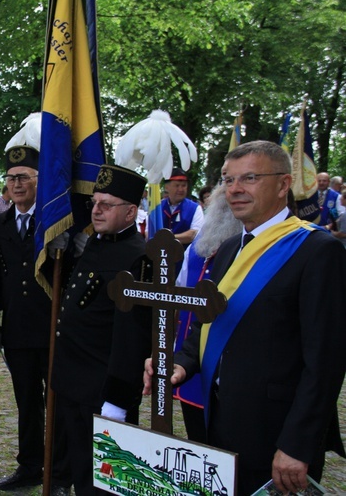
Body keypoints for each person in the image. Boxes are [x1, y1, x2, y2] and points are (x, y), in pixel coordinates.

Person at [145, 141, 346, 494]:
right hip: (219, 419)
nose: (234, 189)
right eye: (228, 180)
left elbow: (326, 362)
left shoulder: (316, 250)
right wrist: (181, 363)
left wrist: (297, 444)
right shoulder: (226, 249)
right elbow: (209, 325)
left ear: (284, 184)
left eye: (249, 178)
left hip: (276, 432)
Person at [51, 165, 152, 495]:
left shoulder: (138, 258)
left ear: (131, 212)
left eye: (107, 204)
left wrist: (118, 401)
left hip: (102, 389)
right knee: (82, 470)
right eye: (95, 202)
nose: (96, 209)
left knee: (107, 481)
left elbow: (133, 339)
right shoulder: (96, 243)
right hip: (73, 382)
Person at [0, 128, 65, 491]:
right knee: (26, 403)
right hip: (17, 329)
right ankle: (30, 466)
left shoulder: (55, 223)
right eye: (11, 178)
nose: (16, 184)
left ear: (39, 179)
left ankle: (62, 469)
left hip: (53, 327)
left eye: (24, 177)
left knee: (59, 401)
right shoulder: (0, 224)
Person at [173, 184, 239, 443]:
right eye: (226, 179)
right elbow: (177, 289)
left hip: (232, 371)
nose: (230, 189)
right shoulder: (199, 243)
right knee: (198, 437)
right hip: (191, 358)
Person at [147, 167, 204, 245]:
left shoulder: (195, 208)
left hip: (184, 255)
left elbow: (194, 234)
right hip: (160, 255)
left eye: (184, 186)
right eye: (177, 185)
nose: (181, 189)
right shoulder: (157, 207)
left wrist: (167, 238)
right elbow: (148, 232)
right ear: (167, 187)